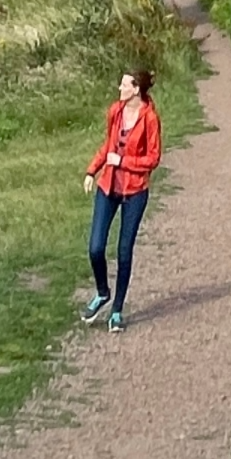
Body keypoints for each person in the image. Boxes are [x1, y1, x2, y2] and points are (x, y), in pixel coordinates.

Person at [82, 65, 161, 329]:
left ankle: (116, 310)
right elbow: (109, 145)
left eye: (124, 84)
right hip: (108, 187)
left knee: (124, 251)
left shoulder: (150, 119)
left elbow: (153, 159)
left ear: (136, 89)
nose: (120, 88)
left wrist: (123, 161)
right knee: (95, 248)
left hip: (135, 191)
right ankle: (102, 292)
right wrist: (92, 170)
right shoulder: (115, 111)